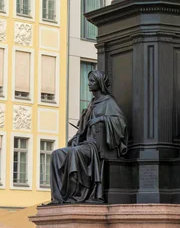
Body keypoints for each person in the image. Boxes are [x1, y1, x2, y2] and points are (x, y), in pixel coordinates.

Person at [50, 70, 127, 204]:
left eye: (92, 81)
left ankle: (77, 194)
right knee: (57, 154)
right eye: (89, 81)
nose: (89, 84)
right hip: (85, 143)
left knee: (75, 153)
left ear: (100, 82)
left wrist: (101, 119)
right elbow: (83, 129)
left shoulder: (108, 102)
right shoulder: (92, 104)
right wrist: (77, 137)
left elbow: (120, 122)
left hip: (97, 146)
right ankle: (60, 197)